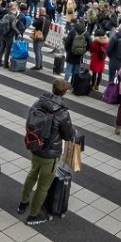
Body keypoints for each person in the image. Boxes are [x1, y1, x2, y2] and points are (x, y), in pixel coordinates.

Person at [18, 79, 75, 226]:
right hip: (50, 154)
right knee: (43, 186)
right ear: (65, 93)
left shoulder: (38, 103)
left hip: (35, 147)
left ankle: (23, 203)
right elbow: (69, 136)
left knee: (32, 174)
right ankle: (34, 215)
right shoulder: (62, 113)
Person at [63, 18, 90, 83]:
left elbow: (67, 42)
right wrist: (84, 50)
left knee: (68, 70)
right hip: (79, 54)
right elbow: (90, 43)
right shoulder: (86, 33)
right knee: (76, 71)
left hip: (71, 53)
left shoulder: (73, 31)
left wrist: (67, 49)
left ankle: (64, 84)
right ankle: (73, 85)